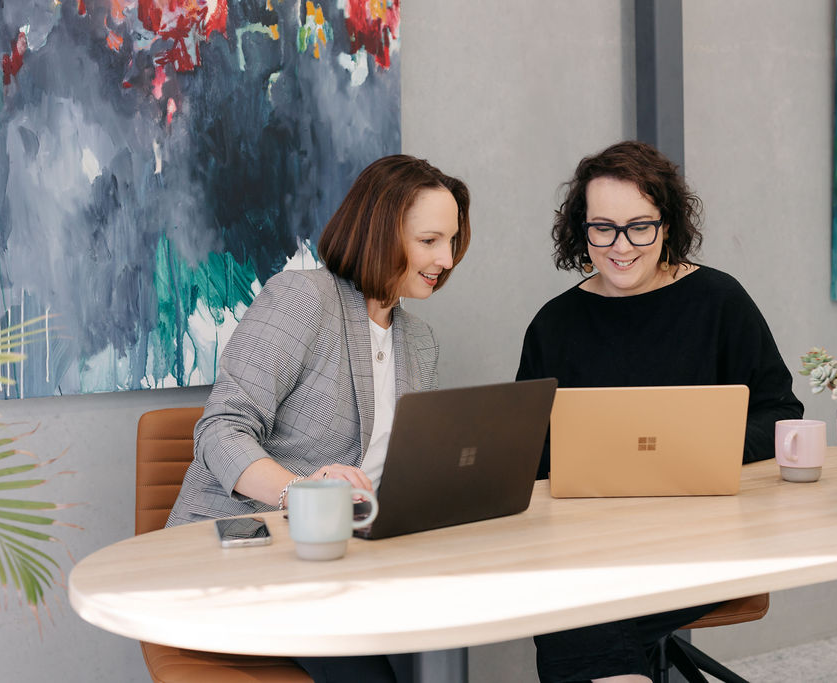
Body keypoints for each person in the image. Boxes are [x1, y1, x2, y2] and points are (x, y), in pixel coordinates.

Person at [167, 154, 471, 683]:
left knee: (441, 642)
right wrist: (302, 494)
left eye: (452, 241)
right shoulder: (302, 299)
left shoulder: (419, 342)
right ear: (380, 232)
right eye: (429, 240)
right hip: (253, 554)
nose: (445, 259)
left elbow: (405, 470)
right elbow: (221, 429)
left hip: (349, 562)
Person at [516, 140, 803, 683]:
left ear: (666, 226)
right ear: (582, 230)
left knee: (577, 615)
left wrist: (698, 451)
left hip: (706, 539)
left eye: (640, 227)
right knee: (576, 601)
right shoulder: (554, 325)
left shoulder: (719, 301)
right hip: (588, 545)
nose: (621, 246)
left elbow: (780, 413)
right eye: (603, 228)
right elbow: (528, 455)